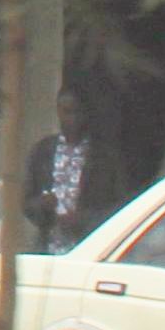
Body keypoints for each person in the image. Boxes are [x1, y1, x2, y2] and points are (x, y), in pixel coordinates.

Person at [26, 86, 122, 252]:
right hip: (47, 249)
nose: (73, 119)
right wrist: (42, 204)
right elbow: (25, 202)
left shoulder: (103, 157)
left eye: (78, 113)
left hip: (90, 250)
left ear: (87, 114)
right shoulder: (43, 151)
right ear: (58, 111)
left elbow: (119, 208)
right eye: (67, 112)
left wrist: (82, 220)